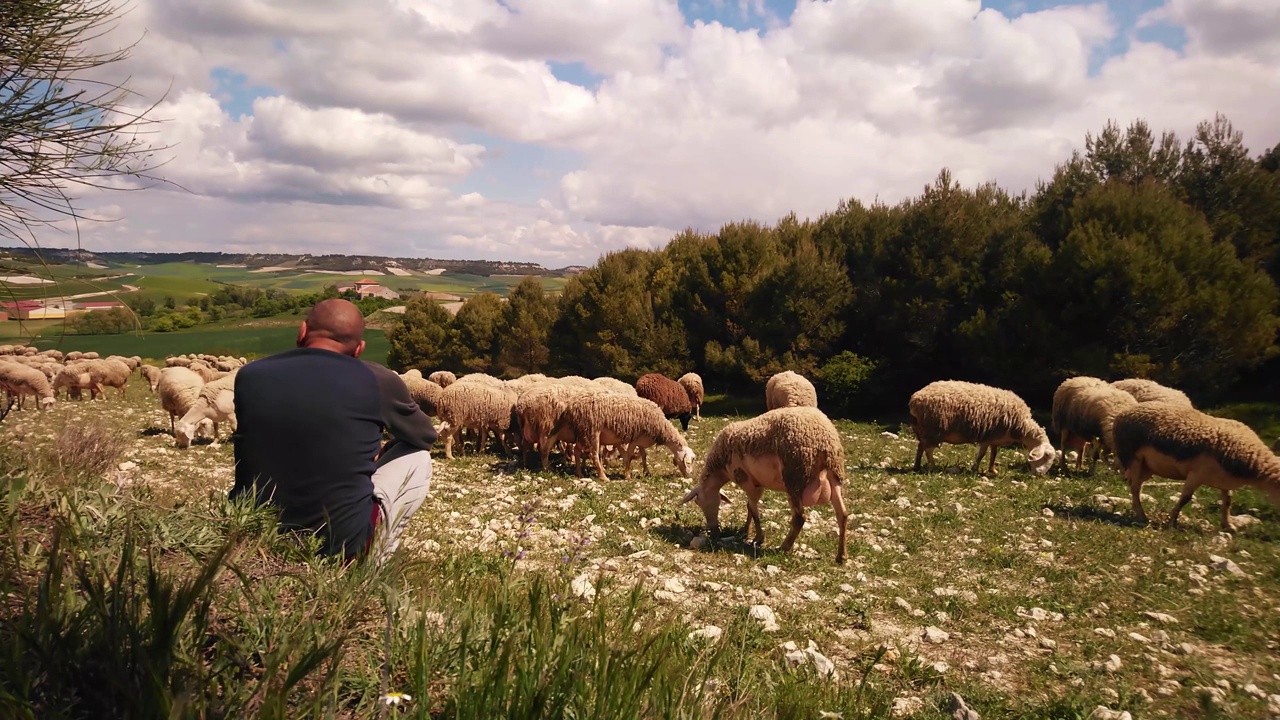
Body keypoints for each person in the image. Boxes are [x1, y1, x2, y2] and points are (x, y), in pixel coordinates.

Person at [229, 298, 437, 564]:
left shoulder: (249, 375)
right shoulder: (377, 380)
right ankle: (375, 562)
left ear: (302, 331)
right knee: (417, 457)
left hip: (254, 532)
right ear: (359, 348)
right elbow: (424, 436)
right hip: (339, 549)